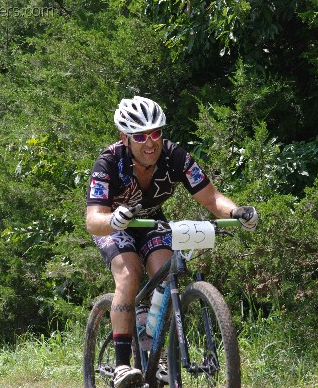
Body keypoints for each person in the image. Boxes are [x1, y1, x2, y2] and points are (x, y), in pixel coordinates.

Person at [86, 96, 258, 388]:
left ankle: (154, 345)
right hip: (114, 225)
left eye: (156, 133)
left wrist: (237, 211)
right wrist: (113, 219)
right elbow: (93, 220)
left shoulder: (174, 156)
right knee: (128, 276)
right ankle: (122, 365)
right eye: (140, 136)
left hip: (152, 222)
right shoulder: (109, 162)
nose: (150, 142)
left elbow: (211, 198)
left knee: (166, 272)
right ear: (124, 138)